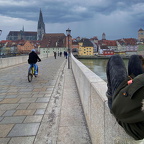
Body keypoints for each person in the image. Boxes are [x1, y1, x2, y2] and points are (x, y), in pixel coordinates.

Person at [106, 54, 144, 140]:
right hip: (135, 105)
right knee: (136, 58)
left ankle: (111, 94)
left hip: (133, 124)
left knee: (115, 59)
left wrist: (135, 82)